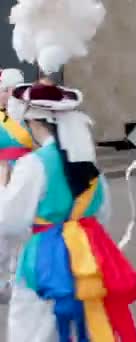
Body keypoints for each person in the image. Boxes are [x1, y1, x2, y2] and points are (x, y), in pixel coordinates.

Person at [0, 83, 136, 341]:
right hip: (89, 254)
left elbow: (8, 222)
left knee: (33, 327)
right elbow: (103, 213)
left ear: (35, 122)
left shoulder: (33, 164)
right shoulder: (88, 162)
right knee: (84, 325)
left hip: (41, 256)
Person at [0, 68, 27, 302]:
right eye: (5, 91)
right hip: (4, 178)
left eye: (12, 90)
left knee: (19, 233)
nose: (8, 95)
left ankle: (15, 280)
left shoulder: (24, 117)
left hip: (23, 178)